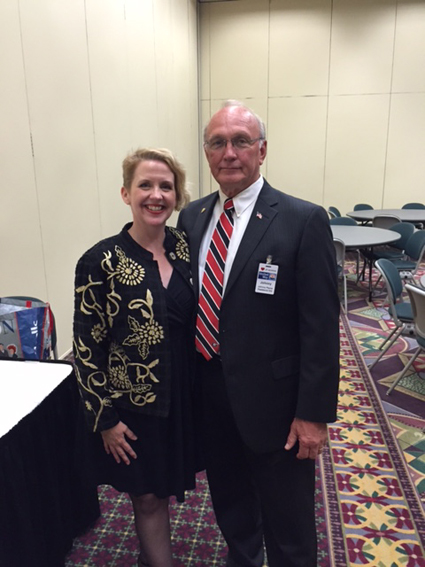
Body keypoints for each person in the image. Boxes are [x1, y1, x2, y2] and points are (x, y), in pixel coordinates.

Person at [178, 100, 340, 567]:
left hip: (278, 405)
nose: (229, 153)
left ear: (262, 150)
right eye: (217, 143)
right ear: (207, 154)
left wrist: (313, 414)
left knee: (288, 522)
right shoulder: (193, 219)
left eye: (241, 141)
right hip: (211, 395)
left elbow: (319, 328)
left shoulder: (301, 219)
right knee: (231, 506)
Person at [73, 148, 198, 567]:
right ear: (126, 193)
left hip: (184, 396)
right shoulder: (100, 261)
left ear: (177, 195)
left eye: (166, 186)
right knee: (146, 497)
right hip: (135, 407)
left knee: (168, 490)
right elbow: (87, 349)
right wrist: (105, 420)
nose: (156, 195)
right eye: (145, 184)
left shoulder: (185, 247)